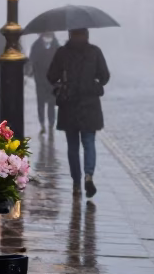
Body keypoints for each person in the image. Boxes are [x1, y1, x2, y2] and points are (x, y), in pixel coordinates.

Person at [47, 28, 110, 198]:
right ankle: (89, 175)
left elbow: (51, 76)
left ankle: (76, 182)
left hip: (69, 106)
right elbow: (105, 77)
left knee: (73, 146)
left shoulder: (62, 53)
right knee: (89, 142)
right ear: (87, 35)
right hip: (90, 105)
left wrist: (63, 80)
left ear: (69, 35)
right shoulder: (95, 52)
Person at [28, 32, 60, 134]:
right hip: (40, 79)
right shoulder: (36, 45)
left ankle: (51, 124)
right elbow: (32, 60)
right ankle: (42, 123)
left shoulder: (56, 44)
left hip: (53, 79)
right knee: (41, 103)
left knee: (52, 102)